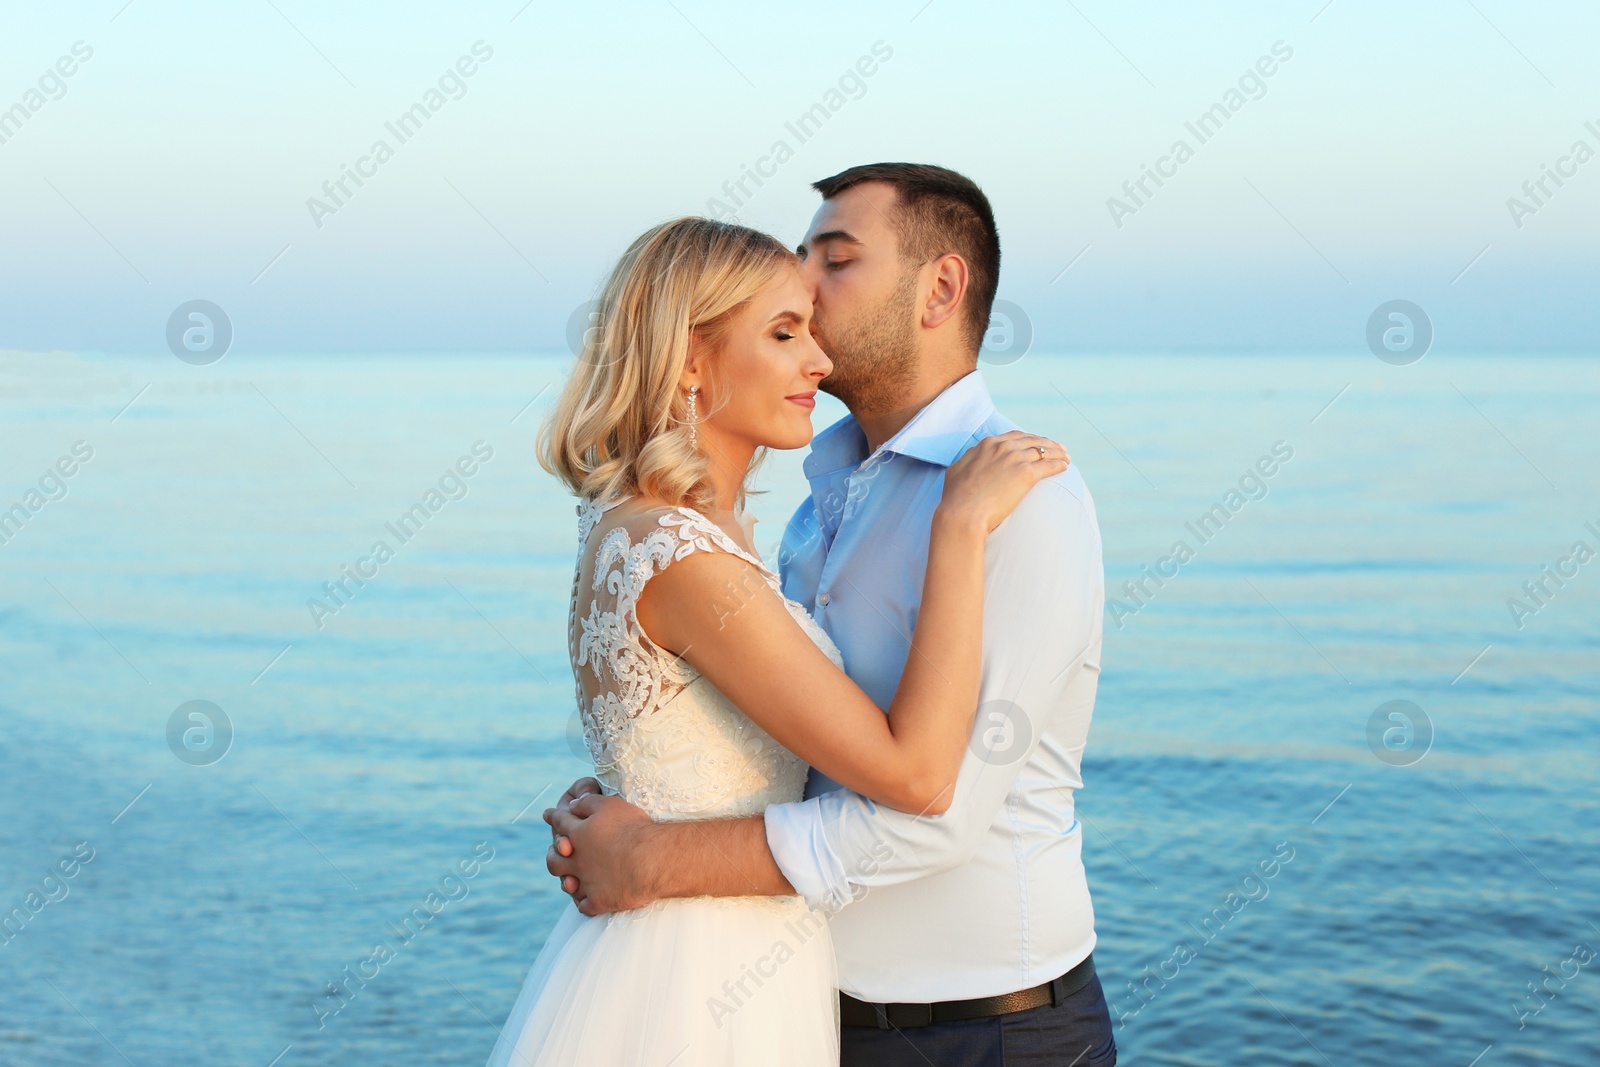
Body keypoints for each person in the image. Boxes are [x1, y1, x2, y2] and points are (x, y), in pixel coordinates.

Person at [545, 164, 1115, 1066]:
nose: (807, 285)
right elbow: (776, 738)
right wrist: (634, 797)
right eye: (786, 308)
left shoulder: (1022, 500)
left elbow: (938, 804)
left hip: (985, 1029)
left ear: (942, 288)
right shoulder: (812, 508)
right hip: (798, 1006)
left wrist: (653, 854)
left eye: (834, 261)